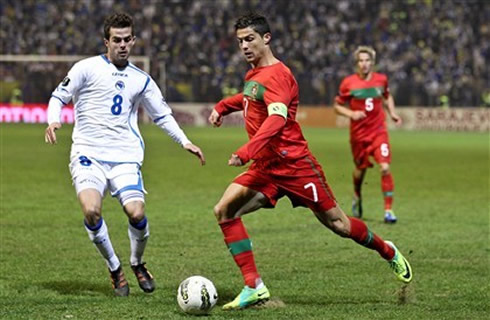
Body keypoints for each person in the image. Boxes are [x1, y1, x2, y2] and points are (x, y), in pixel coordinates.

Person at [208, 13, 412, 310]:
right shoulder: (254, 74)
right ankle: (254, 286)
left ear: (267, 38)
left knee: (340, 225)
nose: (244, 46)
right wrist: (223, 107)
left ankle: (387, 250)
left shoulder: (279, 75)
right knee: (224, 210)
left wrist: (247, 151)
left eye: (250, 39)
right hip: (267, 168)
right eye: (240, 41)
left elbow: (277, 118)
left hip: (295, 166)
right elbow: (250, 98)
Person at [44, 13, 205, 297]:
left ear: (133, 41)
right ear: (106, 41)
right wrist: (53, 119)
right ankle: (115, 268)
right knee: (92, 211)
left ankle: (137, 263)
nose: (122, 45)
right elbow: (59, 96)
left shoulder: (141, 79)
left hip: (125, 157)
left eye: (126, 40)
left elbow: (162, 115)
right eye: (116, 40)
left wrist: (184, 141)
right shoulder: (86, 68)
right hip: (88, 154)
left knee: (136, 212)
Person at [333, 46, 402, 223]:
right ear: (357, 64)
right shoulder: (349, 83)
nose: (364, 64)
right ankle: (357, 194)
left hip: (379, 132)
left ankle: (388, 210)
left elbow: (387, 96)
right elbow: (337, 106)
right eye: (360, 61)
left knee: (385, 167)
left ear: (372, 62)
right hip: (358, 135)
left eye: (367, 60)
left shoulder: (381, 80)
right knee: (360, 170)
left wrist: (392, 113)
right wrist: (351, 114)